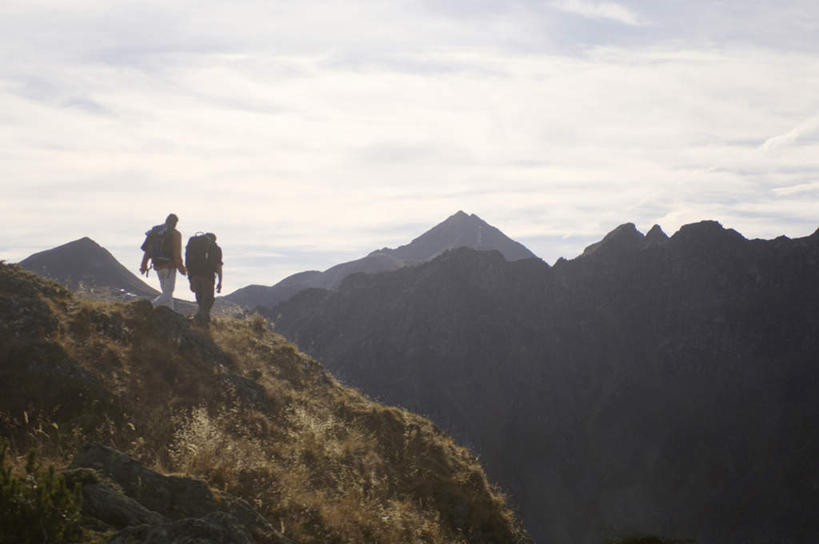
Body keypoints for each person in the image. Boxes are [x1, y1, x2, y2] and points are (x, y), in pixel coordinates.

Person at [140, 213, 187, 310]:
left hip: (157, 266)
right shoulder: (175, 234)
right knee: (167, 293)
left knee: (167, 295)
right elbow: (176, 254)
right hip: (169, 267)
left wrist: (143, 265)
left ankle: (172, 315)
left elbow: (148, 251)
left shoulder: (155, 233)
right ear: (176, 223)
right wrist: (181, 268)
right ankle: (149, 306)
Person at [187, 232, 222, 325]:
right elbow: (218, 266)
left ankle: (198, 323)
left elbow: (188, 263)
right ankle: (204, 327)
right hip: (207, 277)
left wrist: (190, 280)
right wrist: (220, 282)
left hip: (194, 276)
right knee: (207, 301)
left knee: (200, 300)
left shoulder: (195, 247)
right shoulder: (216, 249)